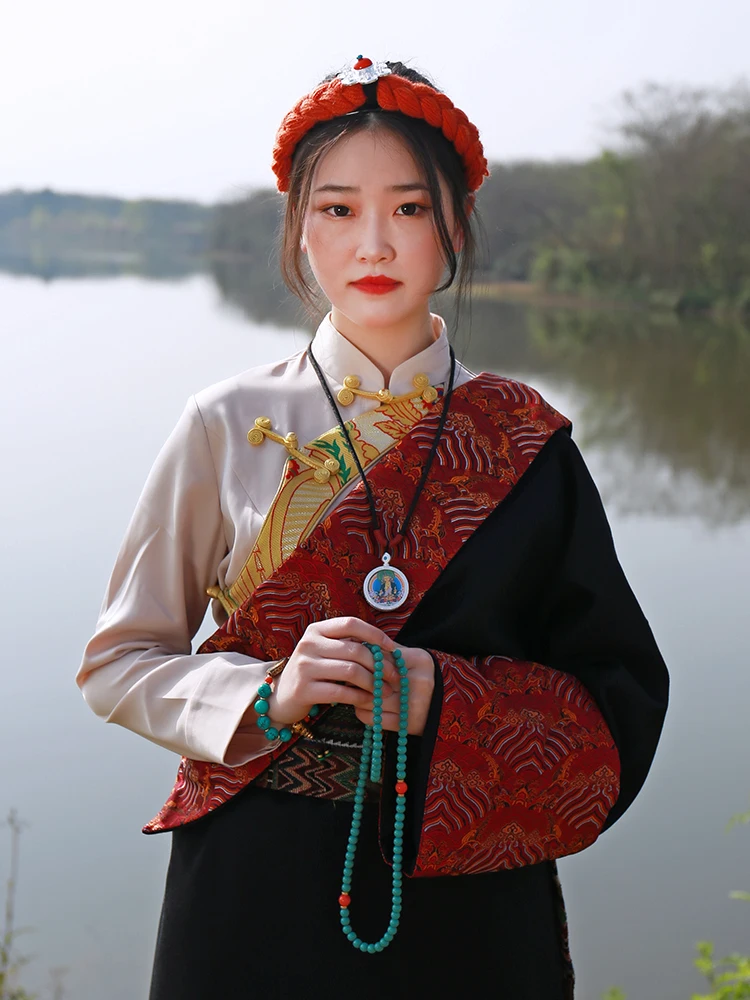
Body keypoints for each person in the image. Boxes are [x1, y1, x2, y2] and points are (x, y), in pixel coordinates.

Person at [77, 56, 670, 999]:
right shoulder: (223, 424)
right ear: (300, 232)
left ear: (456, 230)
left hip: (469, 899)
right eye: (338, 210)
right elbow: (121, 663)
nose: (375, 246)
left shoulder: (525, 439)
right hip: (249, 886)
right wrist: (265, 695)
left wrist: (444, 694)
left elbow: (617, 699)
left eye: (410, 208)